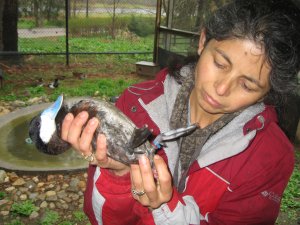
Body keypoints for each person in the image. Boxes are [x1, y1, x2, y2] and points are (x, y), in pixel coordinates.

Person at [61, 0, 300, 224]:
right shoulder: (135, 106)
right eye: (219, 63)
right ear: (203, 41)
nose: (221, 89)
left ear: (268, 91)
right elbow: (98, 218)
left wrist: (166, 210)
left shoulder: (270, 156)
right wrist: (118, 175)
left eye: (247, 85)